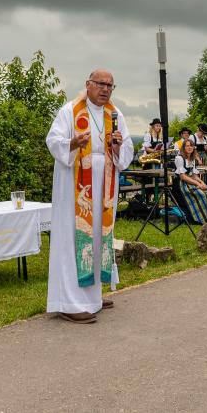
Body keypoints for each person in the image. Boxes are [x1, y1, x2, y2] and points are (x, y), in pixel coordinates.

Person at [44, 69, 133, 324]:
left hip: (104, 184)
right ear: (88, 84)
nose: (105, 89)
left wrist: (117, 146)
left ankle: (91, 296)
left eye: (110, 86)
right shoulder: (70, 111)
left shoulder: (115, 114)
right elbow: (53, 141)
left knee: (97, 238)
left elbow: (126, 149)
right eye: (101, 84)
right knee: (74, 238)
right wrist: (73, 142)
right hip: (75, 185)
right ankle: (69, 301)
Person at [172, 139, 207, 224]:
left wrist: (202, 183)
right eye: (187, 146)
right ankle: (200, 218)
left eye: (191, 146)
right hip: (181, 185)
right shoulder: (179, 158)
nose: (189, 147)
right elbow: (183, 176)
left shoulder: (192, 158)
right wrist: (197, 183)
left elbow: (193, 175)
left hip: (190, 183)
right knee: (202, 195)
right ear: (183, 147)